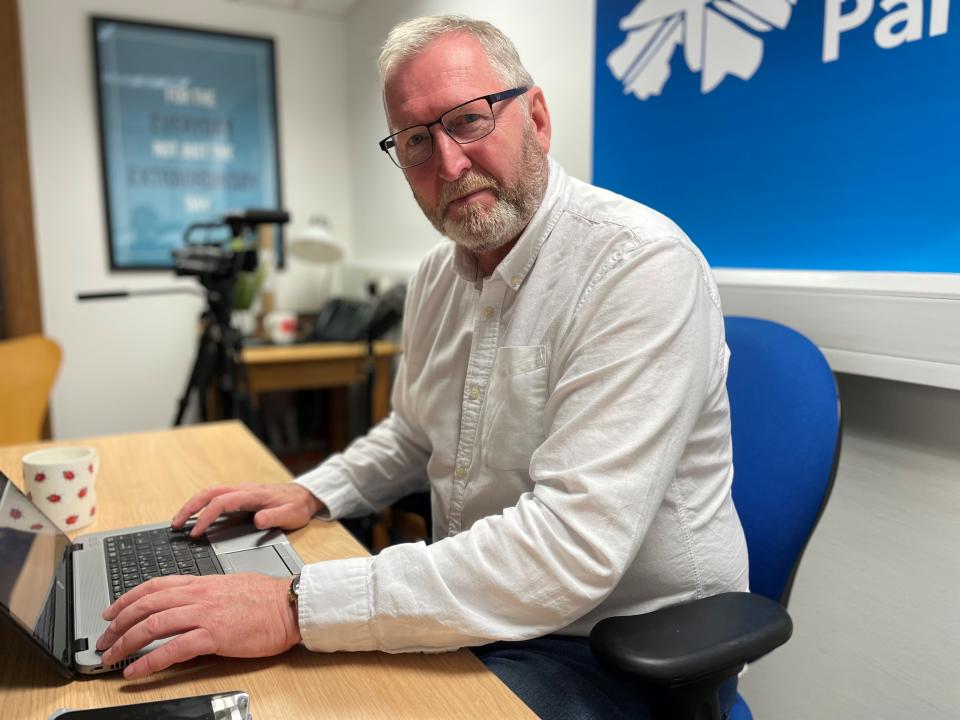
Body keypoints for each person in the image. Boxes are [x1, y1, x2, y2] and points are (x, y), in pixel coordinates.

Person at [96, 15, 748, 718]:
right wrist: (314, 494)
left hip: (612, 646)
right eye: (415, 140)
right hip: (485, 611)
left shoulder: (638, 266)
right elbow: (412, 434)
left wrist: (294, 604)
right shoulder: (439, 274)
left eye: (469, 120)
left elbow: (569, 549)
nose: (449, 162)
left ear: (535, 116)